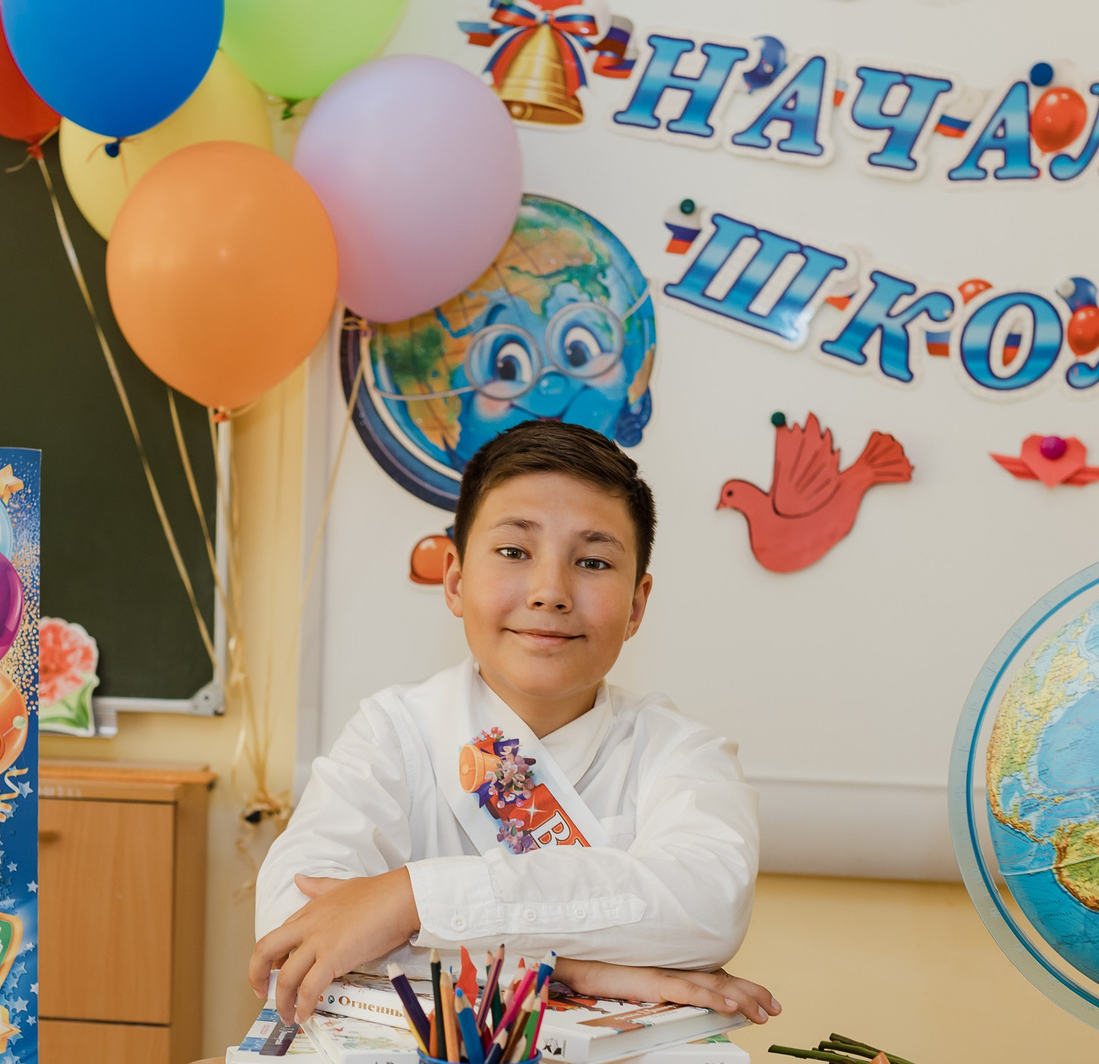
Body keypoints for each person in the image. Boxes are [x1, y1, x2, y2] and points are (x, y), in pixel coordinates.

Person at [252, 421, 775, 1029]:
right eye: (513, 552)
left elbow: (706, 906)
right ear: (454, 579)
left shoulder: (683, 754)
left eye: (593, 561)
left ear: (637, 604)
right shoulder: (395, 732)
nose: (551, 591)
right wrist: (572, 970)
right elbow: (292, 927)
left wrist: (408, 900)